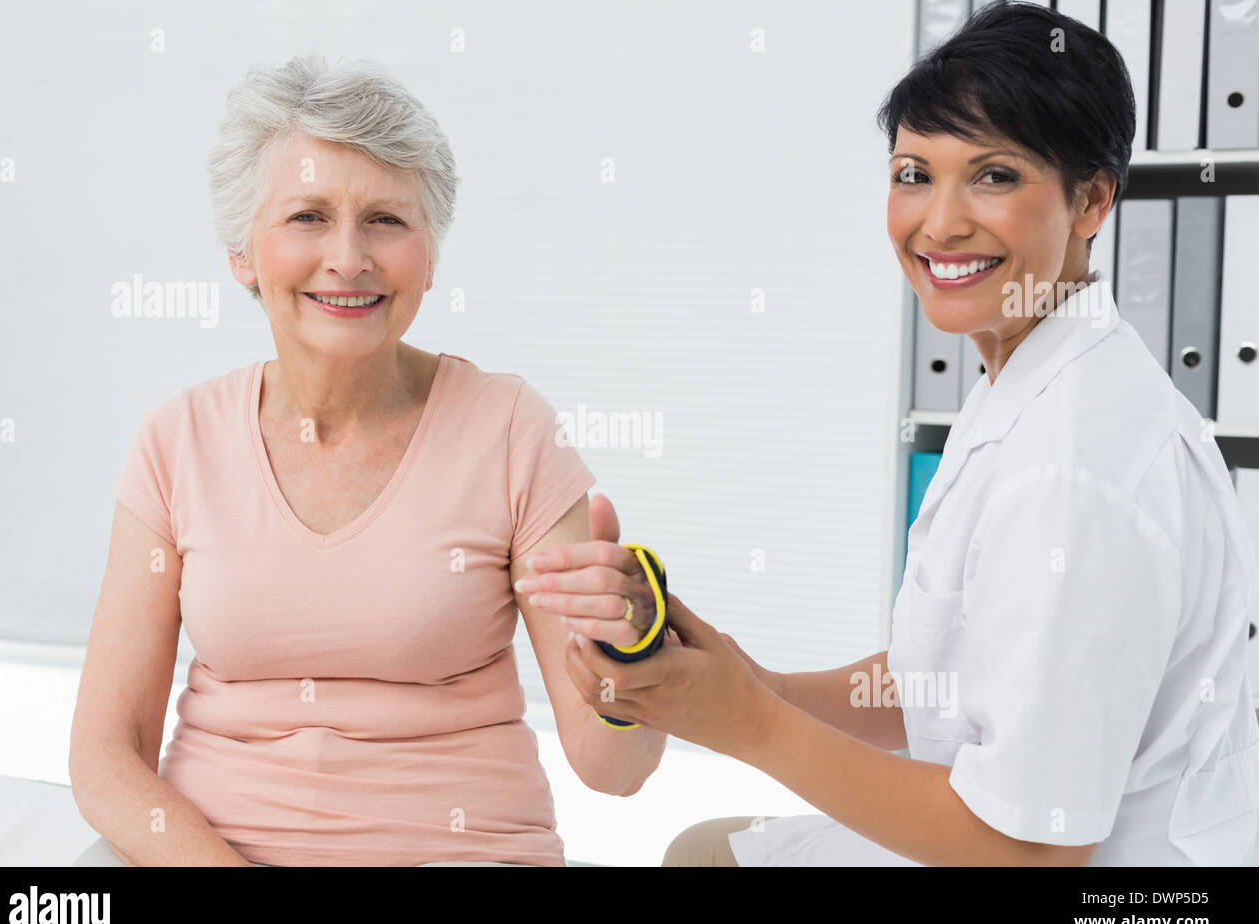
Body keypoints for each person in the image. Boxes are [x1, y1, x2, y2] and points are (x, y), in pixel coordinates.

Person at [515, 1, 1259, 866]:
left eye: (993, 177)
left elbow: (1032, 854)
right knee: (705, 849)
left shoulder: (1072, 469)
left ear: (1092, 200)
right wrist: (758, 683)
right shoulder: (1026, 373)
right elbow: (961, 678)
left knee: (705, 858)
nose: (938, 224)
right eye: (915, 174)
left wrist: (748, 723)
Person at [69, 54, 670, 866]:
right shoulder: (177, 440)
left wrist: (630, 654)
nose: (348, 258)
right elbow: (105, 757)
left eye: (386, 219)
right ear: (242, 252)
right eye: (309, 216)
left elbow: (614, 770)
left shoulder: (510, 430)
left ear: (430, 253)